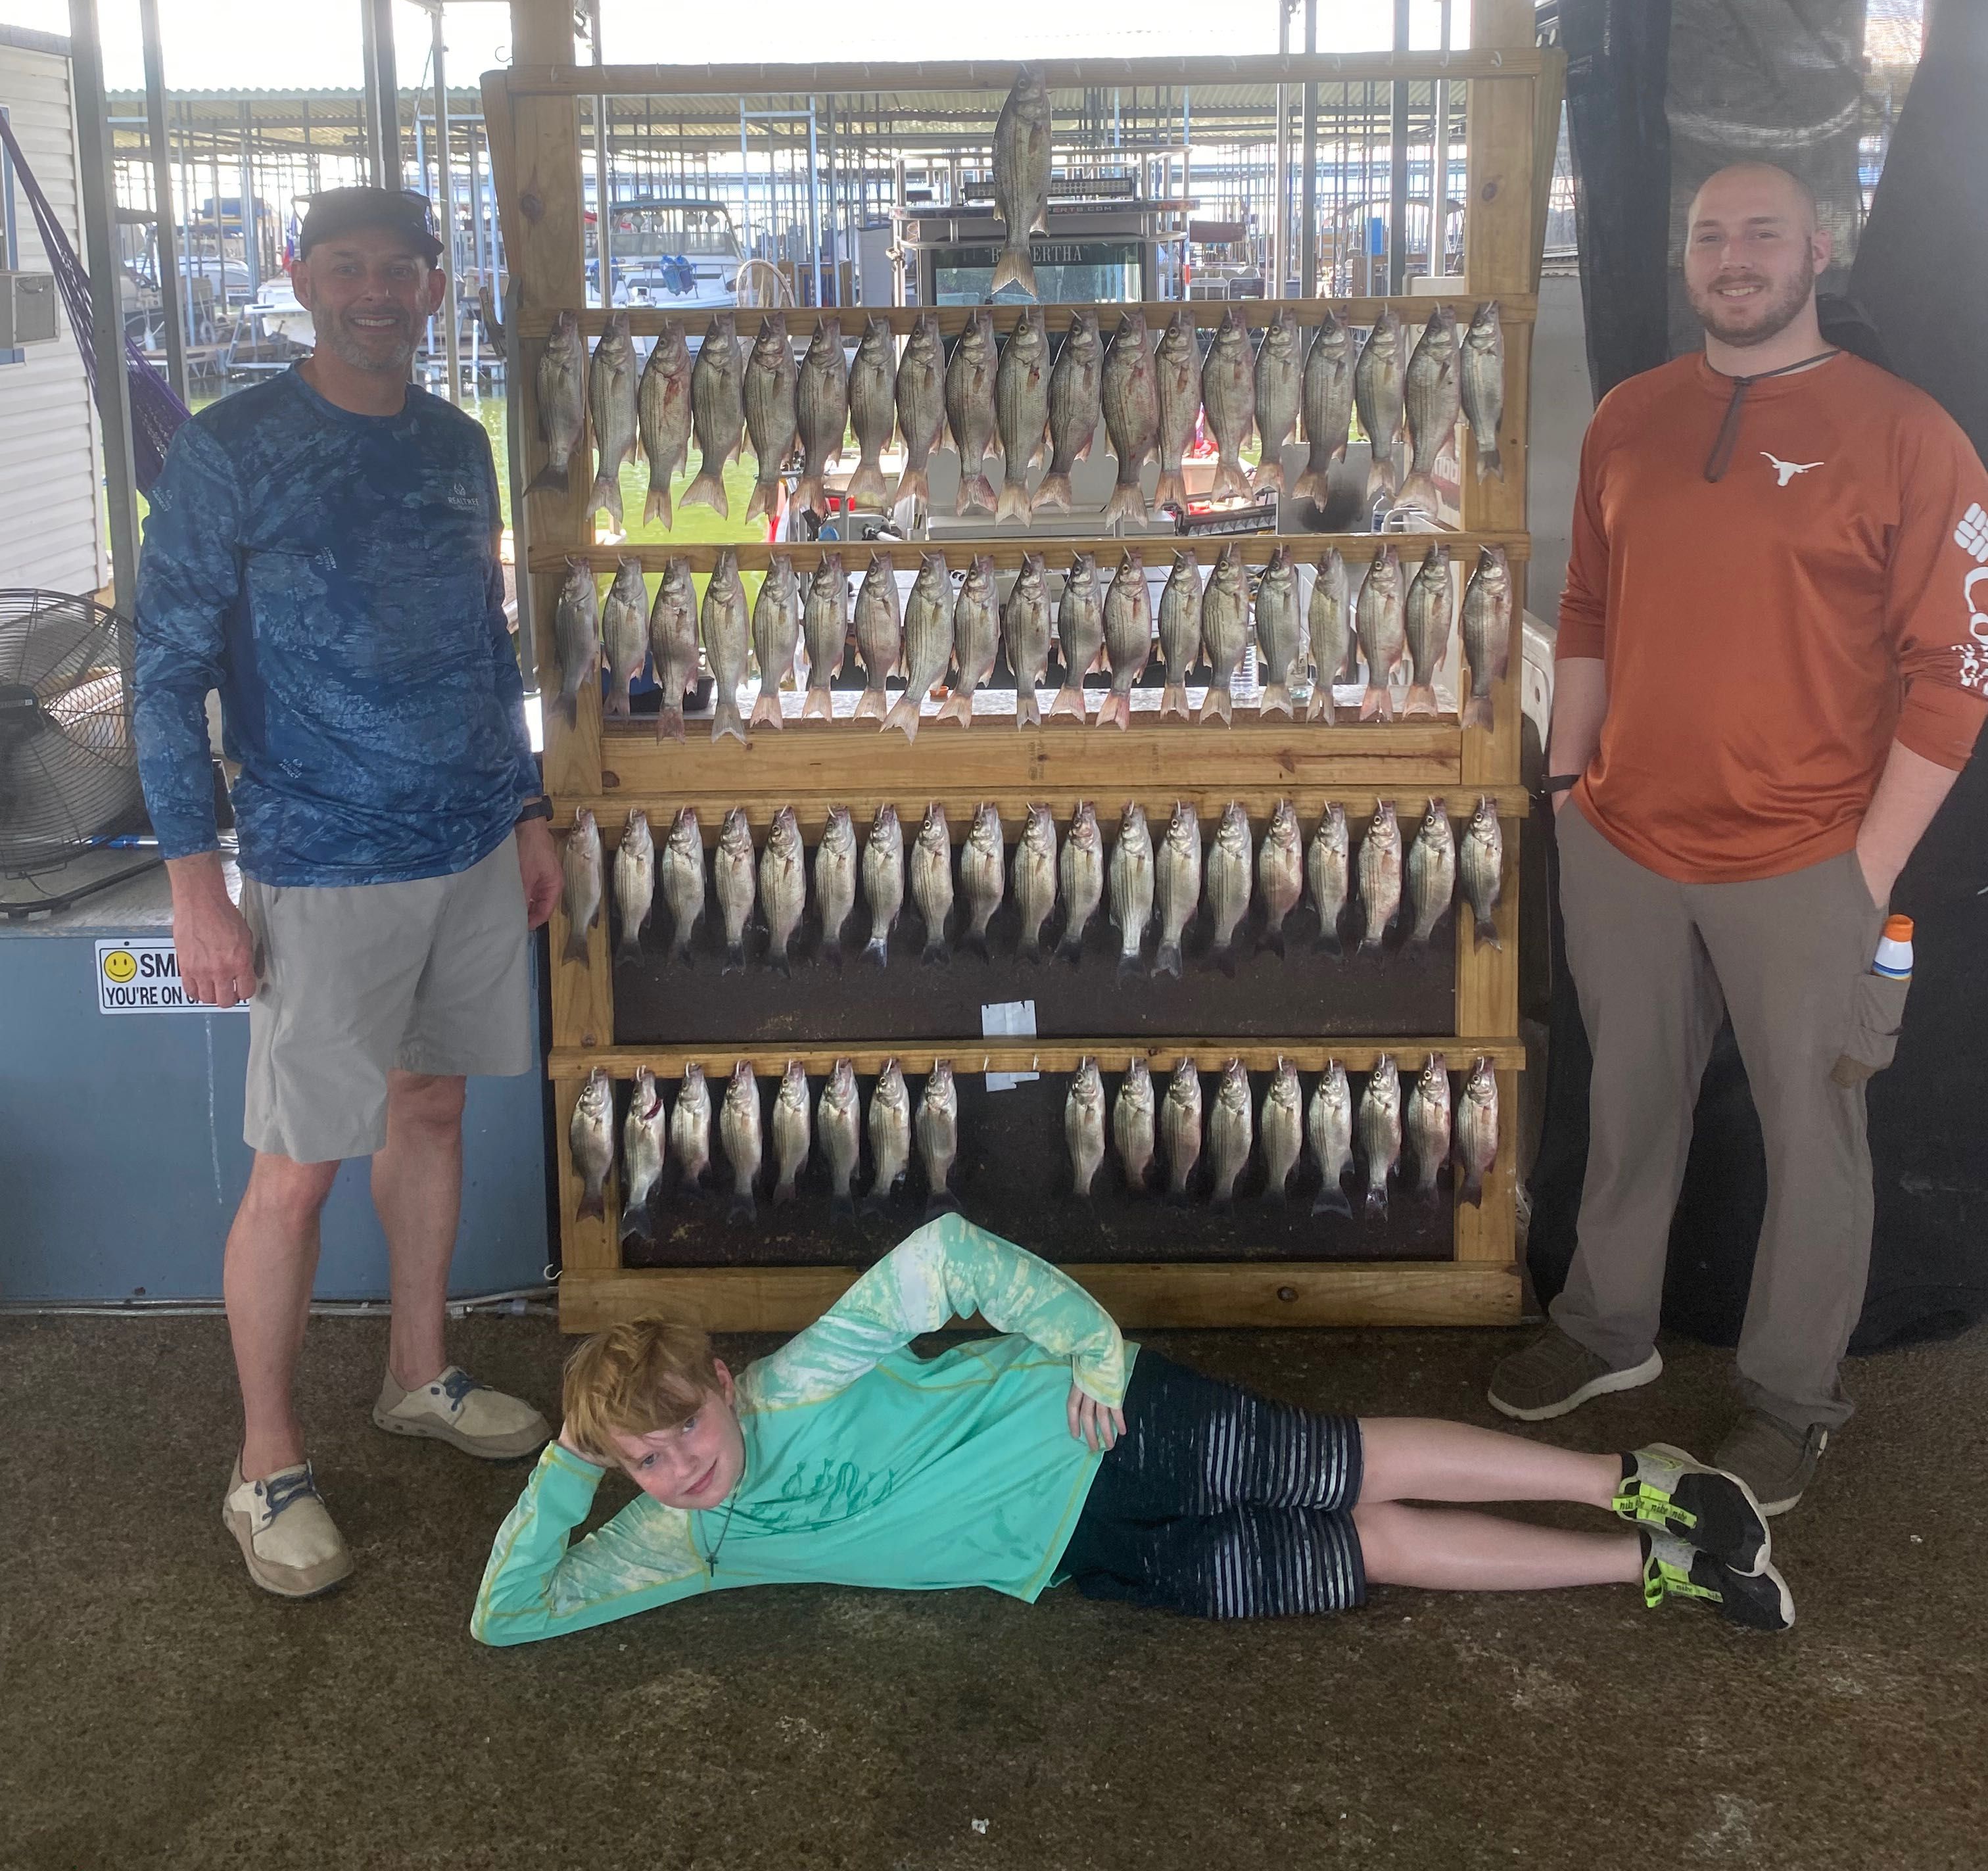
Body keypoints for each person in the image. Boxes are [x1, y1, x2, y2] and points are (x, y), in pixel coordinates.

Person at [1490, 160, 1988, 1511]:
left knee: (1812, 1136)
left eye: (1763, 231)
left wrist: (1867, 867)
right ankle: (1604, 1331)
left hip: (1807, 860)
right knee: (1628, 1100)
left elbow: (1956, 670)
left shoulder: (1910, 435)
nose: (1734, 255)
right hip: (1628, 843)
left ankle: (1789, 1400)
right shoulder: (1629, 418)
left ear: (1818, 247)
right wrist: (1572, 784)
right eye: (1710, 234)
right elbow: (1585, 606)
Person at [133, 185, 564, 1600]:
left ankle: (417, 1374)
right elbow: (165, 677)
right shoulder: (229, 449)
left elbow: (485, 642)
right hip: (321, 861)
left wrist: (529, 809)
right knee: (296, 1170)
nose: (378, 291)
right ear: (300, 276)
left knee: (432, 1108)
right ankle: (265, 1466)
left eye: (404, 270)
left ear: (438, 289)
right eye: (351, 268)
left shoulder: (457, 446)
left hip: (466, 846)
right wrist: (198, 881)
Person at [471, 1215, 1793, 1643]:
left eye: (687, 1425)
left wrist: (1089, 1344)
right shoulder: (677, 1540)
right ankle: (1649, 1566)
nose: (686, 1462)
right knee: (1356, 1552)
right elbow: (511, 1616)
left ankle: (1627, 1477)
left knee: (1342, 1464)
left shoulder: (801, 1377)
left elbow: (944, 1258)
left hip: (1107, 1428)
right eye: (649, 1458)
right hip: (1092, 1563)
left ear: (720, 1380)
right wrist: (561, 1470)